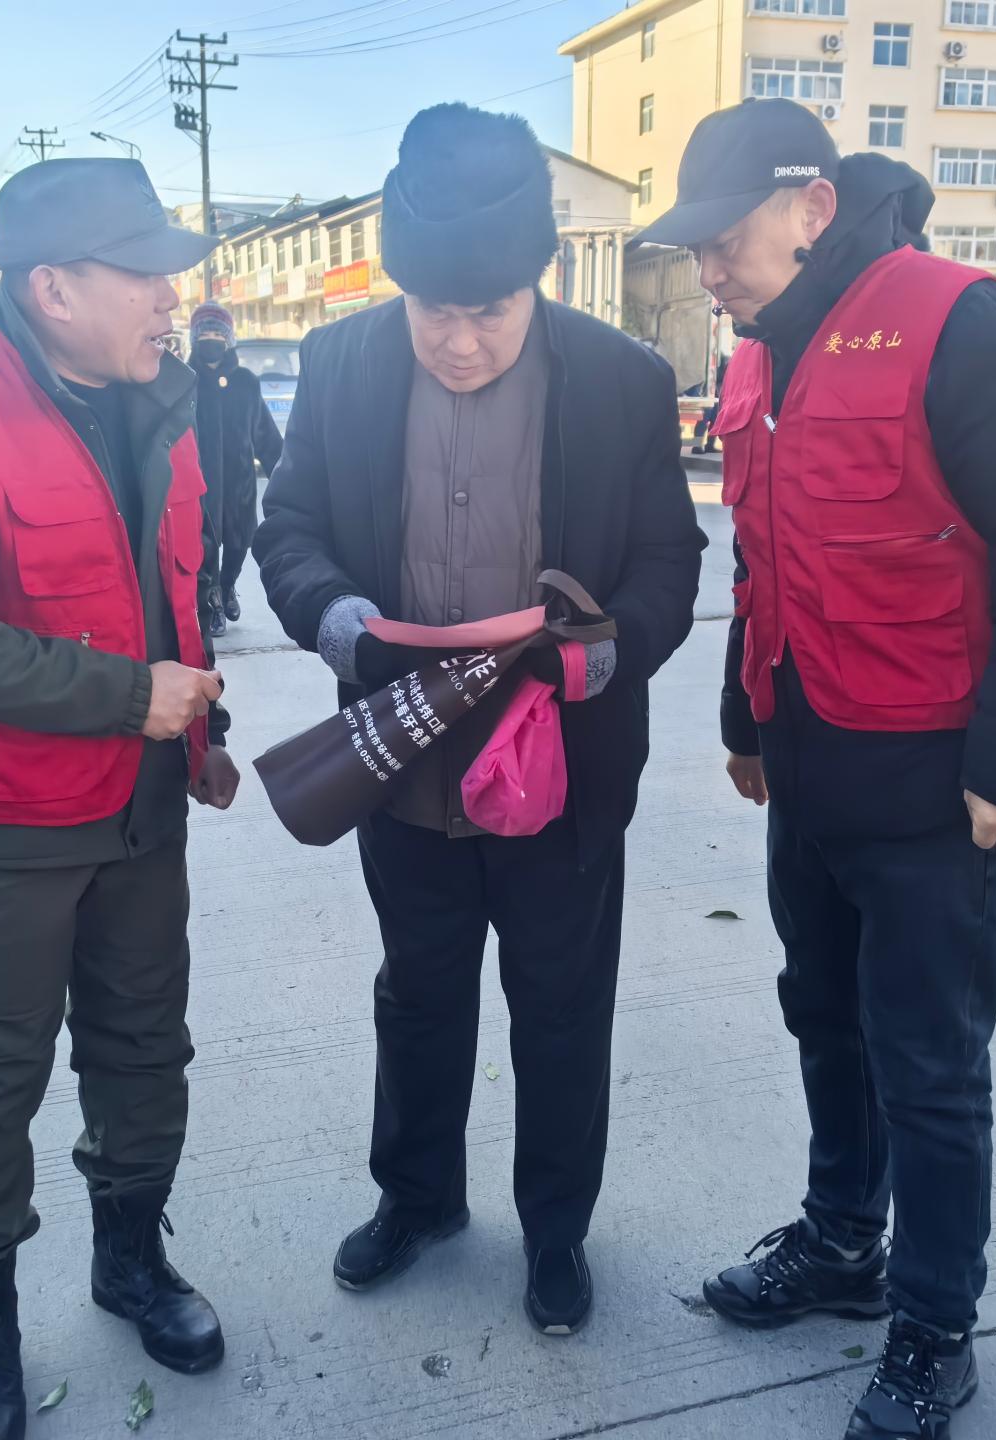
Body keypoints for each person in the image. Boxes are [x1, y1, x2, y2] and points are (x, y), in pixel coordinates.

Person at [639, 101, 996, 1440]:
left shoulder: (957, 320)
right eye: (694, 250)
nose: (707, 272)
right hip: (809, 762)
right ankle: (844, 1238)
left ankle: (933, 1325)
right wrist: (744, 721)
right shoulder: (756, 357)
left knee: (930, 1063)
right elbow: (763, 556)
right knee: (825, 1017)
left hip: (932, 783)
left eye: (723, 242)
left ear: (813, 208)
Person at [254, 104, 705, 1337]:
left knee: (561, 1008)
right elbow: (289, 530)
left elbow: (669, 560)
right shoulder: (343, 367)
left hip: (562, 773)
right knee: (418, 993)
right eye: (434, 312)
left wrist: (602, 657)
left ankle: (556, 1232)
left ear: (538, 277)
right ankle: (418, 1199)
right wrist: (340, 621)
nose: (459, 341)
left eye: (490, 312)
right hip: (402, 765)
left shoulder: (618, 381)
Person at [0, 156, 240, 1440]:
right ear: (53, 287)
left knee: (143, 1049)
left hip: (142, 813)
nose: (172, 299)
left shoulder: (159, 401)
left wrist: (197, 729)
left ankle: (130, 1259)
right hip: (0, 830)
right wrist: (130, 697)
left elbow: (167, 593)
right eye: (146, 275)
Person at [186, 301, 282, 636]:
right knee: (205, 547)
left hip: (239, 483)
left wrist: (286, 476)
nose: (211, 339)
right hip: (200, 485)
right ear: (195, 339)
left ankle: (227, 587)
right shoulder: (184, 382)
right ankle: (212, 599)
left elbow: (266, 435)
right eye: (205, 334)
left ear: (228, 339)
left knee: (240, 544)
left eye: (218, 334)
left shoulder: (246, 382)